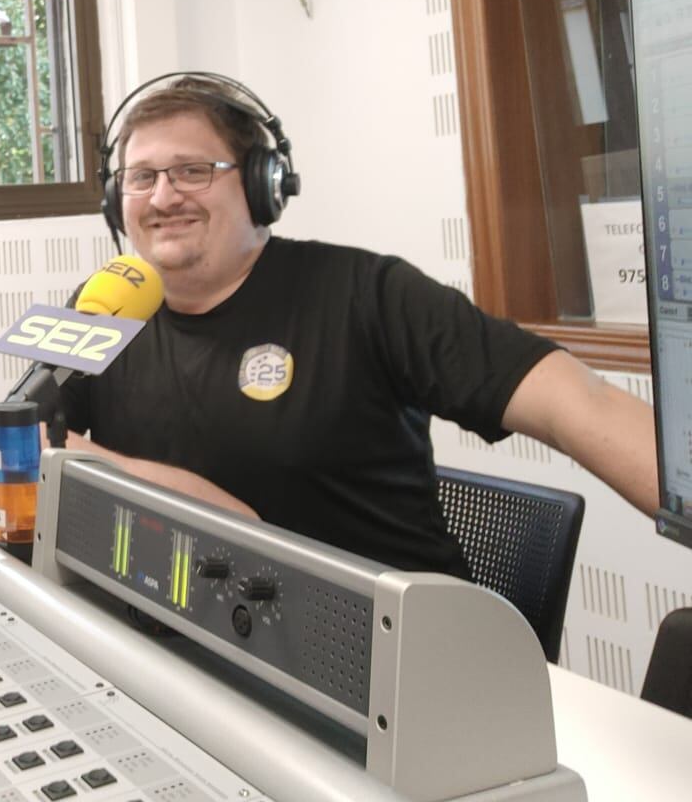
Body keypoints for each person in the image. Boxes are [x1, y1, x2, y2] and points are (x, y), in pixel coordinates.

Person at [52, 76, 658, 577]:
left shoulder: (365, 295)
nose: (163, 197)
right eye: (142, 177)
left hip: (385, 658)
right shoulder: (104, 309)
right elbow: (24, 443)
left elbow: (578, 402)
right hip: (189, 641)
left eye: (192, 171)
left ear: (264, 185)